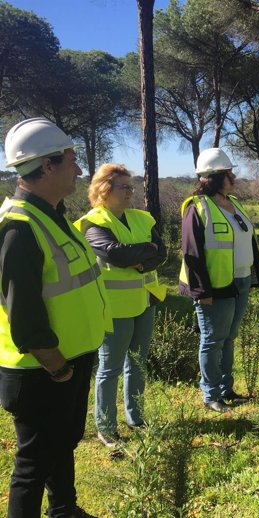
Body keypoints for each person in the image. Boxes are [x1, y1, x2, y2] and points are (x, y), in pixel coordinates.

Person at [0, 118, 110, 518]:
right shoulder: (19, 228)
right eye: (71, 160)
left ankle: (64, 509)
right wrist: (58, 368)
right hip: (41, 369)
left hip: (68, 360)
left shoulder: (53, 215)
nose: (79, 170)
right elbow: (24, 315)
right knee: (32, 465)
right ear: (46, 166)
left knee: (60, 445)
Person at [74, 164, 167, 449]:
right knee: (110, 369)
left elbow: (160, 253)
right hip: (113, 309)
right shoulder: (94, 222)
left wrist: (143, 255)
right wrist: (141, 254)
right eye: (124, 187)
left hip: (143, 303)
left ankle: (135, 418)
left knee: (137, 365)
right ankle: (106, 427)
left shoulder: (141, 219)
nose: (131, 192)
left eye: (131, 186)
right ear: (105, 190)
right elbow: (115, 254)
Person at [179, 148, 259, 413]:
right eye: (229, 173)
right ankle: (211, 394)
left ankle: (227, 389)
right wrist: (201, 291)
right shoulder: (197, 208)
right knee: (212, 340)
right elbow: (192, 254)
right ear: (215, 177)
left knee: (229, 338)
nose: (234, 177)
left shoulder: (234, 202)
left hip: (240, 280)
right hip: (214, 287)